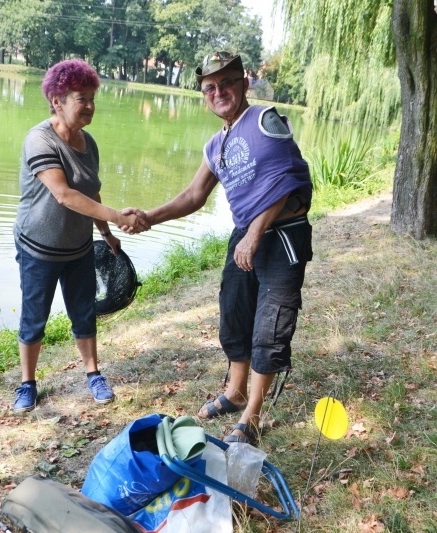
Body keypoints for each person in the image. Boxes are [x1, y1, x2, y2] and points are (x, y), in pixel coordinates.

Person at [123, 51, 313, 446]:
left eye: (227, 83)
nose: (219, 92)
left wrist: (256, 232)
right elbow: (193, 196)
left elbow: (286, 181)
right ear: (204, 96)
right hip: (246, 236)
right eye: (210, 88)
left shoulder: (265, 120)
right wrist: (148, 217)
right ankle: (236, 390)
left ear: (244, 83)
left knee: (270, 327)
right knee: (235, 315)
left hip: (281, 235)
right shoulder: (216, 144)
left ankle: (252, 415)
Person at [12, 58, 149, 413]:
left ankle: (93, 374)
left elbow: (90, 192)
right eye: (81, 98)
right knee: (34, 317)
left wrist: (107, 232)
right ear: (57, 100)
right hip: (38, 249)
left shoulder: (89, 143)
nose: (89, 106)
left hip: (78, 248)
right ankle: (27, 383)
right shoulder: (39, 139)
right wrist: (119, 217)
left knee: (84, 313)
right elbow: (64, 194)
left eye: (91, 98)